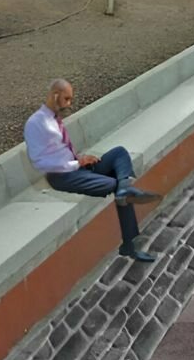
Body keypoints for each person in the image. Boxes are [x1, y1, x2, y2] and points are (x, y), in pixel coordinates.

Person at [25, 79, 160, 263]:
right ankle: (130, 245)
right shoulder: (35, 123)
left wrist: (81, 158)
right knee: (115, 184)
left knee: (119, 153)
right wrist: (76, 164)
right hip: (62, 177)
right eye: (66, 99)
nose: (69, 104)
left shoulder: (54, 120)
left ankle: (125, 189)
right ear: (55, 96)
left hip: (78, 168)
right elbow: (41, 163)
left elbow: (61, 151)